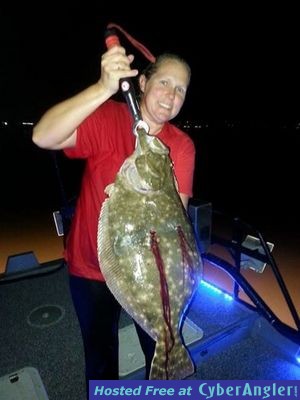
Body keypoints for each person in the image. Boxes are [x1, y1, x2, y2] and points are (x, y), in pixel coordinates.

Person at [32, 43, 195, 390]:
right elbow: (43, 135)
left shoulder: (181, 146)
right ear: (143, 82)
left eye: (181, 89)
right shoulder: (108, 118)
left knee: (160, 343)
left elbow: (173, 223)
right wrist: (103, 88)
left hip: (151, 278)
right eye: (165, 82)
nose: (171, 95)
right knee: (101, 356)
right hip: (91, 268)